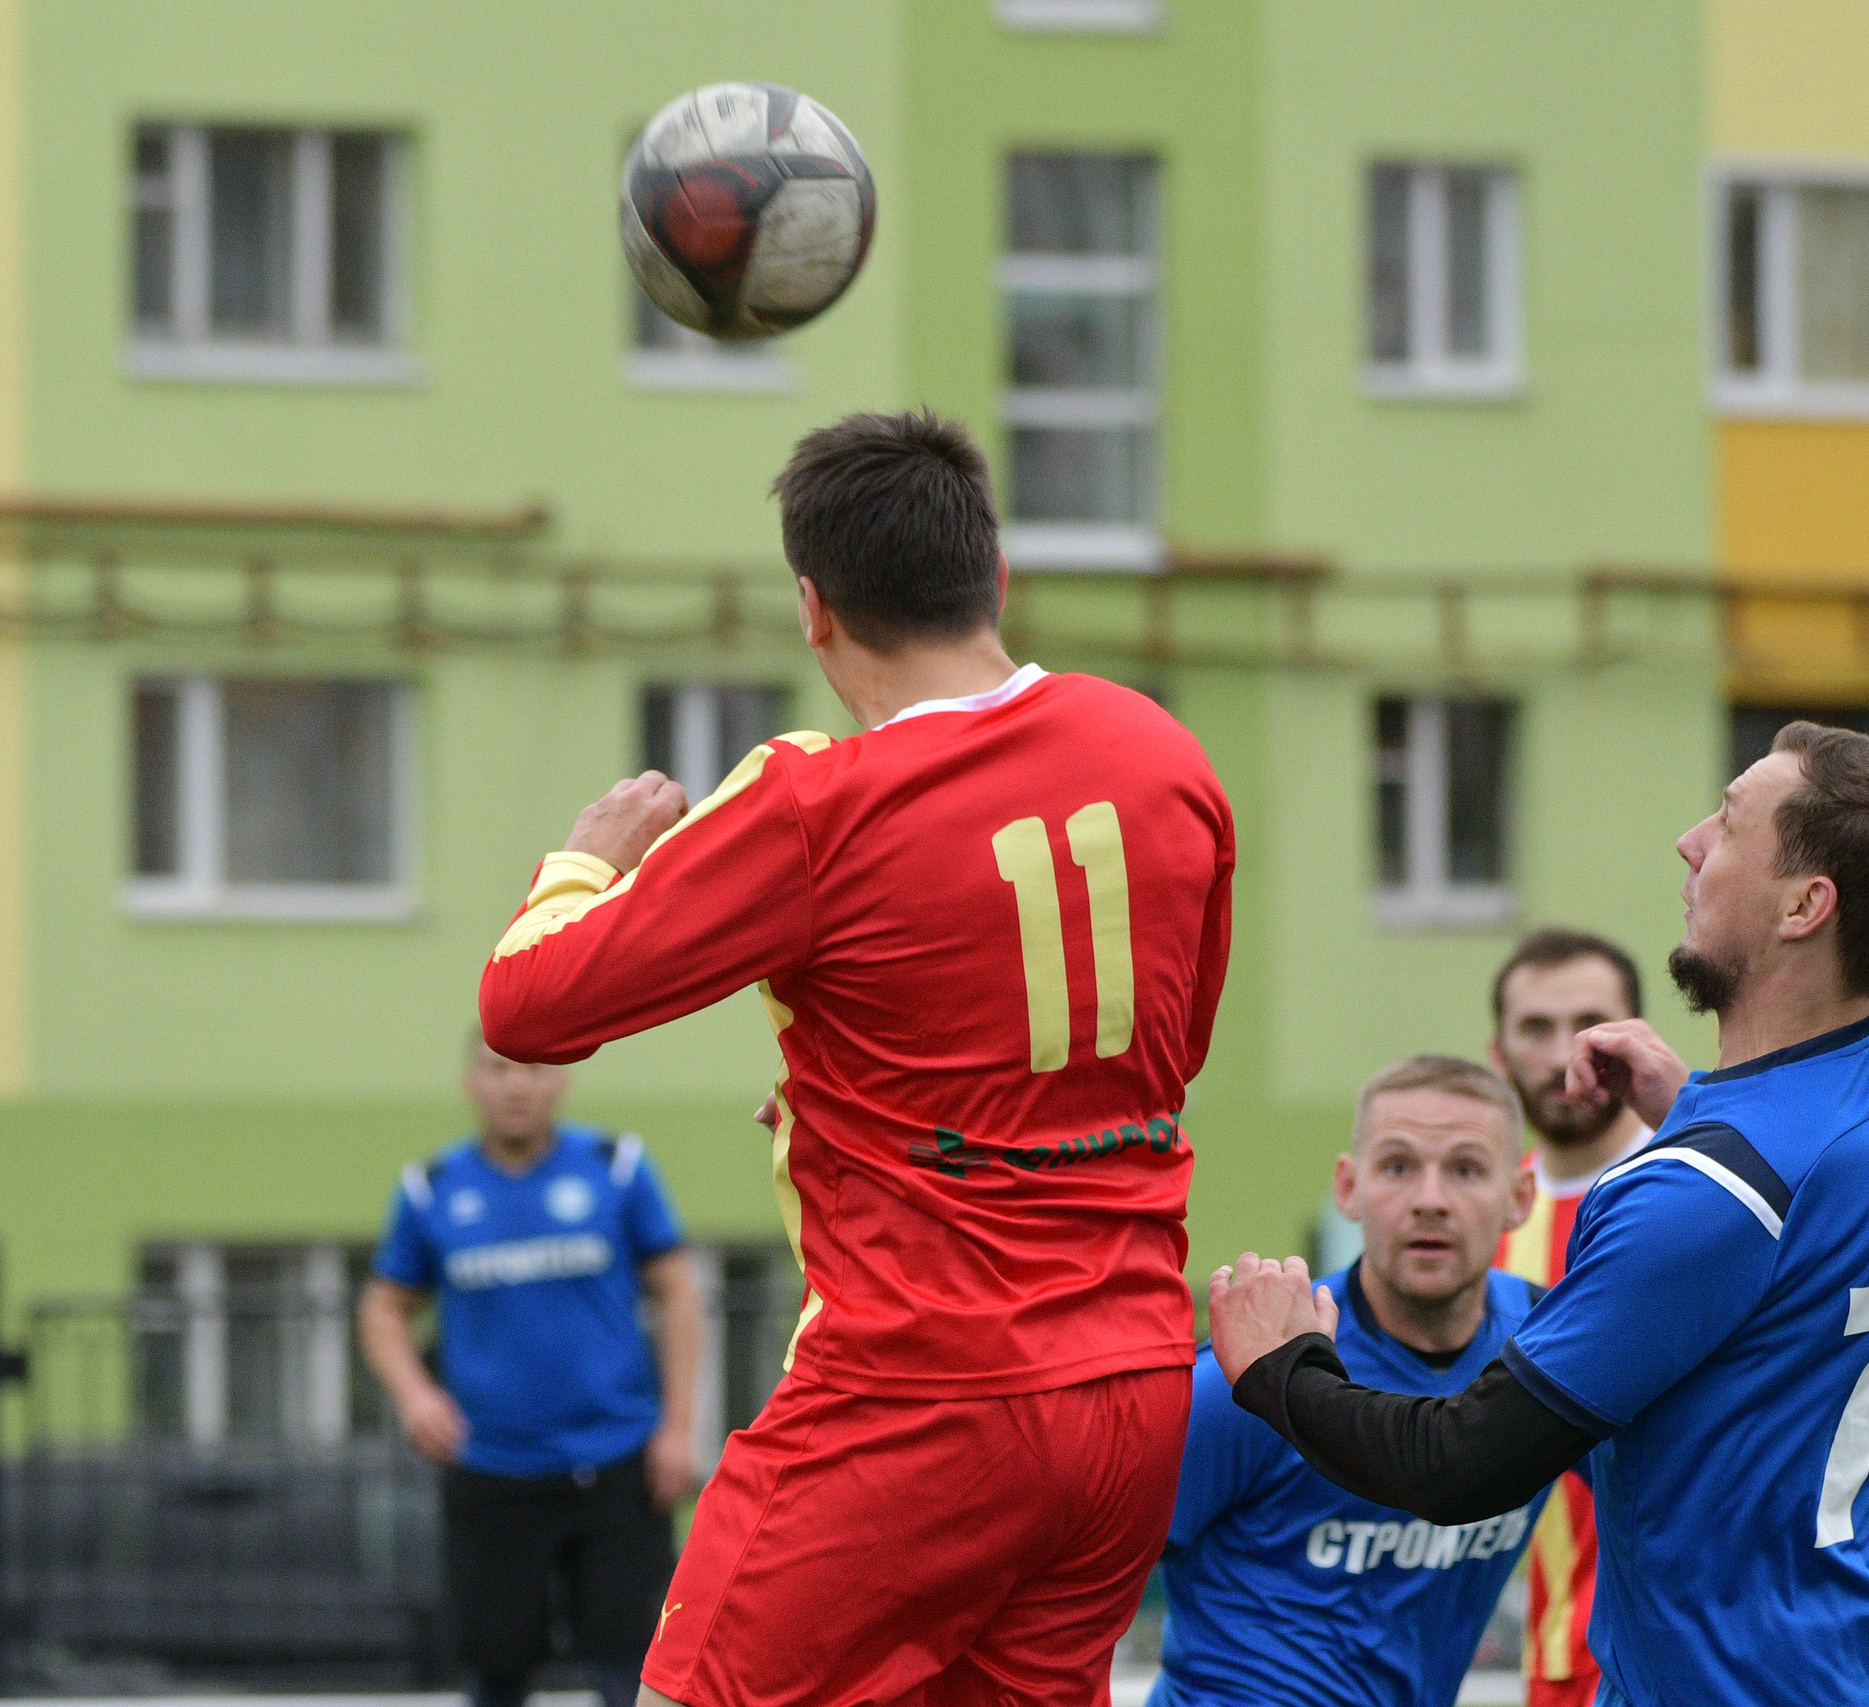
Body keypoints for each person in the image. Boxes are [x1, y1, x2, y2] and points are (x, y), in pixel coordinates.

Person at [477, 410, 1236, 1707]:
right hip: (1132, 1385)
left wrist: (586, 861)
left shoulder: (820, 801)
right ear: (994, 573)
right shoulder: (1160, 749)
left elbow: (529, 1004)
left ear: (815, 610)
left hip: (920, 1396)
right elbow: (1176, 1044)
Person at [1208, 721, 1869, 1706]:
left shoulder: (1697, 1198)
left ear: (1803, 905)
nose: (1690, 841)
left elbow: (1459, 1465)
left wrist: (1281, 1371)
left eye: (1731, 823)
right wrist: (1700, 1111)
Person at [1153, 1056, 1548, 1707]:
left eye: (1467, 1169)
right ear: (1348, 1186)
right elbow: (1089, 1574)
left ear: (1520, 1198)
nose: (1430, 1198)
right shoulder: (1255, 1364)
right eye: (1397, 1166)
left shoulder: (1548, 1353)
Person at [359, 1032, 702, 1707]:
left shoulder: (616, 1166)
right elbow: (382, 1306)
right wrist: (414, 1395)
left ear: (562, 1080)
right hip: (493, 1469)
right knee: (494, 1673)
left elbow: (679, 1291)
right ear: (471, 1082)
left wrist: (678, 1427)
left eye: (534, 1068)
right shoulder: (432, 1188)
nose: (516, 1085)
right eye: (498, 1069)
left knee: (634, 1675)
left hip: (616, 1464)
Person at [1485, 930, 1651, 1707]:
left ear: (1636, 1040)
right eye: (1536, 1028)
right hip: (1553, 1654)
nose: (1563, 1055)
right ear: (1498, 1054)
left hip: (1678, 1650)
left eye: (1588, 1024)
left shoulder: (1696, 1192)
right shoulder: (1482, 1220)